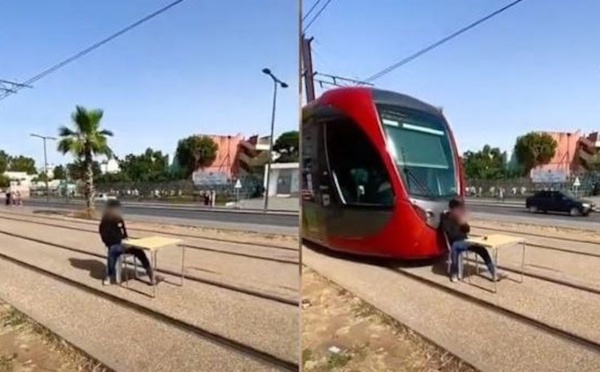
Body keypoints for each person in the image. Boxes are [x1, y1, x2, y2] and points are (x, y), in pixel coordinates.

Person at [440, 196, 507, 283]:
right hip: (456, 243)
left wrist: (463, 223)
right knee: (455, 248)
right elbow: (452, 235)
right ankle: (454, 273)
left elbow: (467, 230)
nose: (460, 211)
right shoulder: (446, 219)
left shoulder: (459, 217)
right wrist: (457, 222)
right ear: (452, 209)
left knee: (482, 249)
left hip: (466, 241)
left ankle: (493, 273)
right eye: (458, 208)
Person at [99, 199, 155, 285]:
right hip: (114, 245)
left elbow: (123, 232)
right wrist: (118, 241)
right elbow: (104, 237)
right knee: (113, 252)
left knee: (139, 251)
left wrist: (126, 239)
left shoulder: (119, 219)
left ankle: (151, 274)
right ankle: (109, 276)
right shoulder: (105, 221)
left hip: (124, 244)